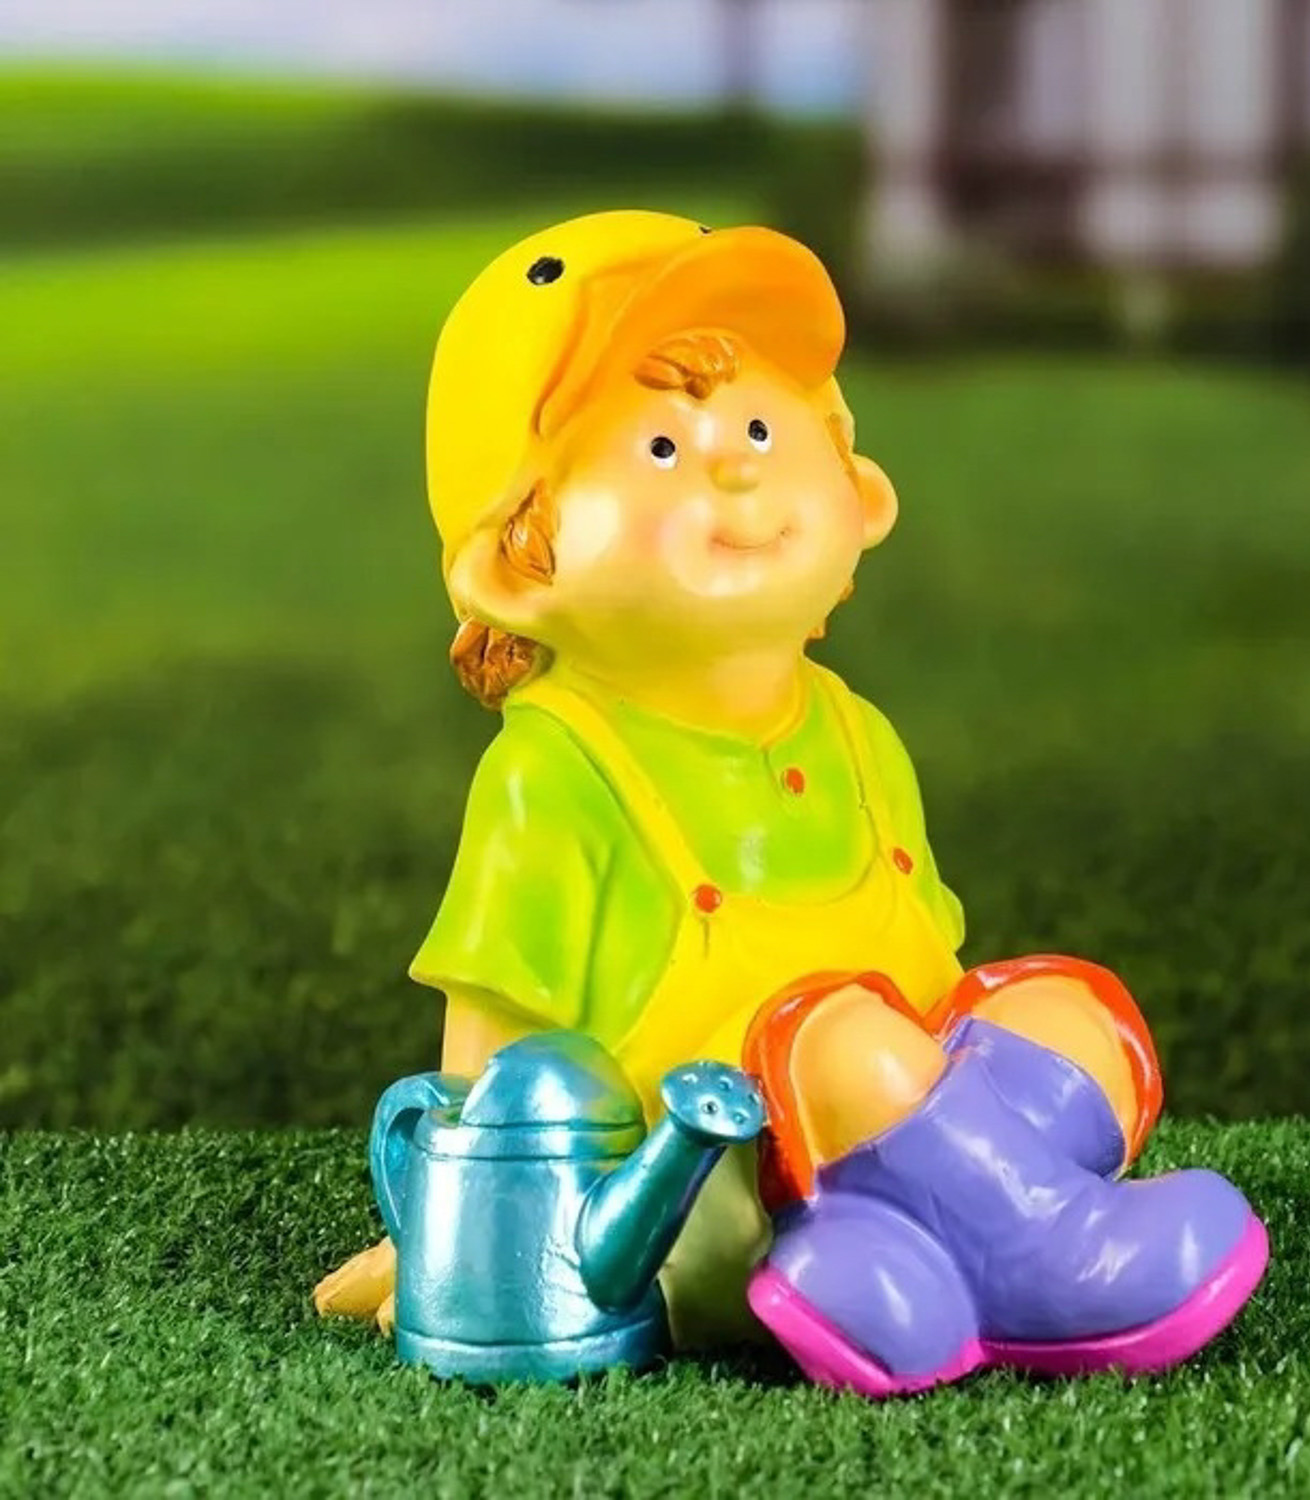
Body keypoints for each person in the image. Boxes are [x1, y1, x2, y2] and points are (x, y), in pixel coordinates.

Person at [315, 211, 1260, 1361]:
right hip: (698, 1192)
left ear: (859, 488)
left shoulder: (857, 733)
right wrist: (449, 1231)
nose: (737, 466)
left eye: (762, 425)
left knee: (1070, 1015)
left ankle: (879, 1271)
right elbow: (495, 1038)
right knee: (842, 1037)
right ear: (519, 559)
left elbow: (935, 963)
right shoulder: (553, 772)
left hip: (886, 1131)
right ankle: (1041, 1258)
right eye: (661, 449)